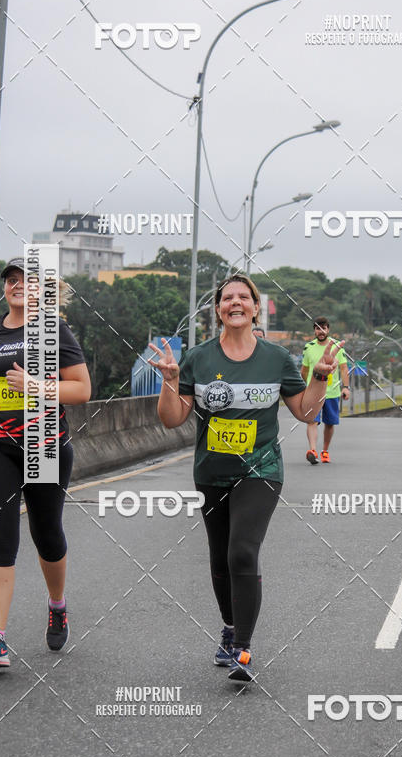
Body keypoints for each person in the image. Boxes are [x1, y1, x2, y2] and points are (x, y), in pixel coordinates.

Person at [150, 275, 341, 682]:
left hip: (261, 472)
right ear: (218, 309)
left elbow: (306, 413)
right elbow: (171, 420)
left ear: (255, 308)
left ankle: (243, 649)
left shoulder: (276, 359)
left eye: (243, 297)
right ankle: (230, 626)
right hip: (212, 474)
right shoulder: (198, 359)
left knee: (241, 552)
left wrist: (320, 377)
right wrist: (169, 382)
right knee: (219, 558)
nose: (234, 303)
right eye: (226, 298)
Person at [0, 257, 91, 668]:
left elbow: (82, 389)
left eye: (27, 280)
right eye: (11, 280)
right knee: (0, 534)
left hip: (43, 443)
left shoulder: (54, 331)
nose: (17, 285)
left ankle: (57, 604)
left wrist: (37, 385)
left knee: (46, 532)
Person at [301, 316, 350, 464]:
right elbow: (304, 371)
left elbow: (343, 368)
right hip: (313, 393)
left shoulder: (336, 347)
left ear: (328, 329)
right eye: (318, 328)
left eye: (324, 328)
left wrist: (346, 387)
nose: (321, 331)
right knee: (312, 421)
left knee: (330, 423)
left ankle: (325, 451)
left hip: (332, 393)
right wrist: (305, 388)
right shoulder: (308, 347)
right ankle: (313, 450)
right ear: (314, 331)